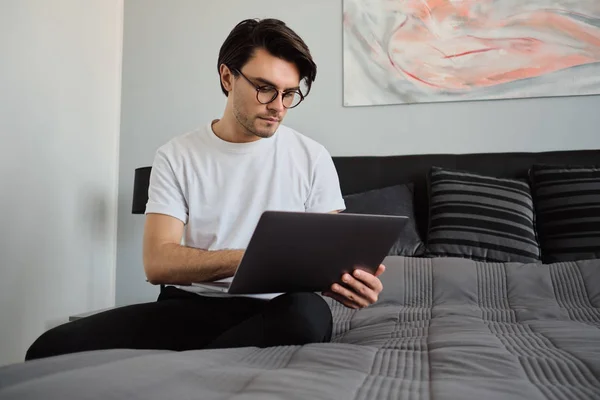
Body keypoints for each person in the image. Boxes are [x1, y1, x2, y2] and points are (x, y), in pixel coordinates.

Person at [25, 18, 385, 361]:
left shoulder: (312, 157)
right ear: (227, 77)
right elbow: (158, 263)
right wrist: (252, 258)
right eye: (265, 89)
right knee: (49, 348)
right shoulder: (177, 155)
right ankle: (214, 358)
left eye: (289, 93)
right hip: (189, 307)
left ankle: (185, 366)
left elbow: (324, 257)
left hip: (278, 308)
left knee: (307, 312)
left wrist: (349, 282)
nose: (278, 106)